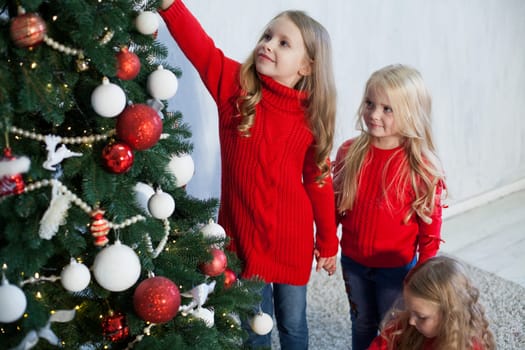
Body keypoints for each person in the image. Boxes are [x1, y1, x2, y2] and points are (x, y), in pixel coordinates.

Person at [159, 1, 339, 348]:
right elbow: (202, 48)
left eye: (283, 43)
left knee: (292, 325)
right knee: (253, 328)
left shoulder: (311, 117)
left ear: (306, 65)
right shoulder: (235, 89)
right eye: (267, 36)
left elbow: (319, 181)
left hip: (292, 240)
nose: (268, 44)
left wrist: (328, 240)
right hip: (244, 239)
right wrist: (170, 6)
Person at [333, 64, 446, 350]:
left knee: (392, 328)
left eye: (387, 109)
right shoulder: (349, 152)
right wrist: (325, 240)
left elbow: (430, 235)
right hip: (353, 262)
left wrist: (421, 275)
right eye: (370, 103)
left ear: (410, 114)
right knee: (361, 322)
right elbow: (336, 205)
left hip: (398, 270)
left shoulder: (421, 168)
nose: (373, 114)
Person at [368, 255, 496, 350]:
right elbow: (381, 344)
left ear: (450, 315)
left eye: (421, 317)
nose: (411, 321)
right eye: (409, 310)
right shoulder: (407, 325)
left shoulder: (469, 345)